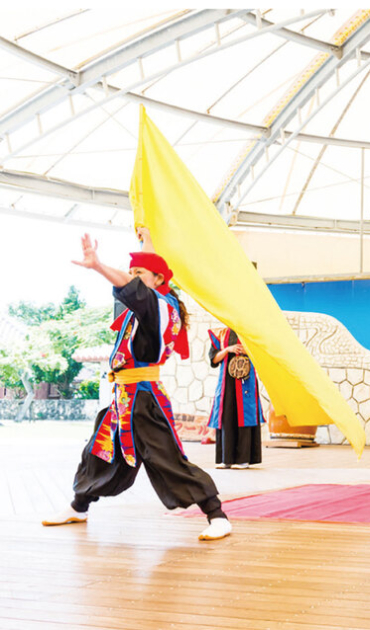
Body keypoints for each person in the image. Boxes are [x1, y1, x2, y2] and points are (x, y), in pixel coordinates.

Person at [42, 228, 231, 541]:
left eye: (139, 272)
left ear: (158, 279)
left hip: (143, 400)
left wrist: (98, 265)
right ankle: (79, 506)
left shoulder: (160, 306)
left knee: (166, 459)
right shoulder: (146, 306)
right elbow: (139, 283)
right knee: (98, 452)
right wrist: (147, 238)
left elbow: (136, 290)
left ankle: (217, 515)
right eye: (131, 271)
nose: (132, 277)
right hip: (122, 399)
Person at [208, 327, 264, 469]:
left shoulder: (252, 331)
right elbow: (214, 359)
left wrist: (248, 351)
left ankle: (243, 460)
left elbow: (263, 356)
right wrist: (228, 349)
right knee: (226, 417)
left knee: (245, 417)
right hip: (226, 383)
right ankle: (226, 459)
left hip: (246, 381)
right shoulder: (220, 333)